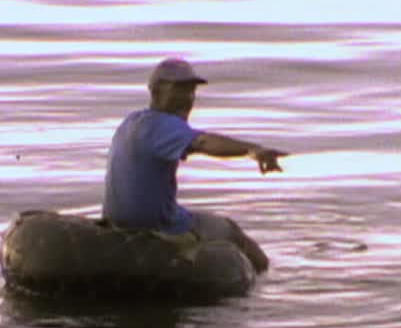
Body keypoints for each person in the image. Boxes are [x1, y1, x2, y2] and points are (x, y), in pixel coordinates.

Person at [102, 57, 287, 272]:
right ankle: (266, 277)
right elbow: (203, 142)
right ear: (156, 90)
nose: (187, 98)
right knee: (230, 230)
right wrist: (252, 150)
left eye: (191, 91)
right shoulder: (163, 125)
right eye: (178, 90)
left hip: (117, 222)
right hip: (158, 227)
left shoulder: (132, 121)